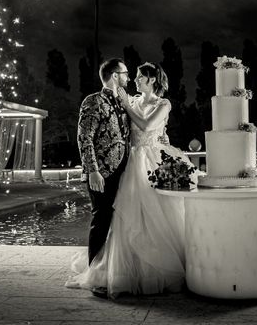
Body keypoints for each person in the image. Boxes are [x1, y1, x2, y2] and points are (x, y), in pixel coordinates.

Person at [67, 61, 198, 298]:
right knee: (125, 217)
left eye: (139, 76)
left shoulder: (159, 103)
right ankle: (121, 270)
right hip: (128, 164)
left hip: (149, 162)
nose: (134, 80)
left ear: (152, 80)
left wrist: (160, 136)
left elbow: (148, 125)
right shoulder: (127, 101)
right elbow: (99, 133)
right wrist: (93, 168)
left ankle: (157, 270)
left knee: (156, 217)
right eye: (131, 75)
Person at [71, 58, 131, 297]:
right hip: (102, 172)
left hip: (123, 171)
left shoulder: (122, 101)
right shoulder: (93, 101)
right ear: (114, 75)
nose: (128, 78)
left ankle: (110, 271)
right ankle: (95, 276)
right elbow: (84, 137)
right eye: (125, 73)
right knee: (101, 219)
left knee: (117, 220)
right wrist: (92, 170)